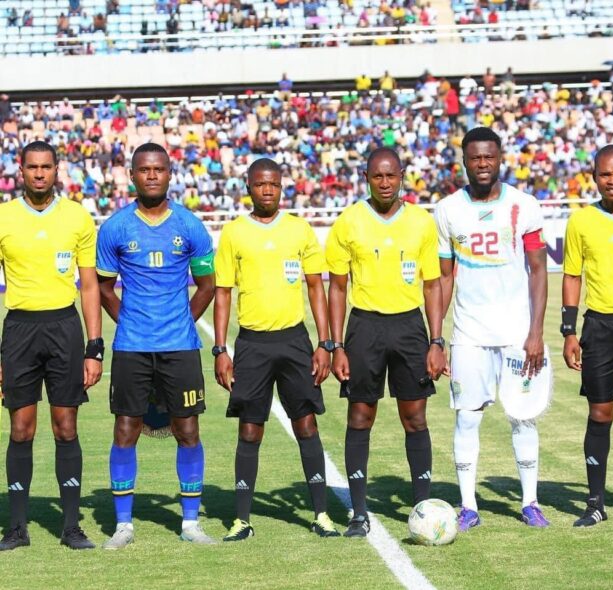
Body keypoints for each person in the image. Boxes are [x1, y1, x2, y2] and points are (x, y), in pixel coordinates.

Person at [97, 143, 215, 548]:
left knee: (188, 429)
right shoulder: (115, 227)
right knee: (125, 429)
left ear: (169, 174)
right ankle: (123, 525)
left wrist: (180, 321)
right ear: (132, 175)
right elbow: (103, 289)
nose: (152, 176)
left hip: (179, 346)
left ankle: (190, 523)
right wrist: (131, 321)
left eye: (159, 169)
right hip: (131, 346)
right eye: (144, 170)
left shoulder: (190, 225)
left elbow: (207, 285)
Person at [214, 158, 339, 542]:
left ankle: (321, 515)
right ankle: (242, 520)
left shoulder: (299, 229)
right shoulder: (234, 233)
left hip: (295, 342)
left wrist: (325, 343)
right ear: (248, 187)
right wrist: (220, 349)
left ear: (281, 186)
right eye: (260, 184)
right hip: (252, 344)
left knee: (306, 425)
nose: (267, 190)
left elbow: (316, 287)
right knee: (250, 430)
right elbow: (223, 292)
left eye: (273, 184)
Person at [326, 147, 446, 538]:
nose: (384, 182)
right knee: (360, 416)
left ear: (402, 175)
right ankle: (359, 513)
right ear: (366, 178)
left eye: (391, 175)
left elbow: (433, 286)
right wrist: (337, 346)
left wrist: (436, 340)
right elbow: (337, 288)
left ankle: (423, 508)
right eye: (377, 176)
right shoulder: (348, 221)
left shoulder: (422, 222)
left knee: (415, 418)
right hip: (364, 328)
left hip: (410, 328)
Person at [435, 127, 549, 531]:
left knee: (523, 417)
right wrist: (437, 338)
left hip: (518, 334)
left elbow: (539, 271)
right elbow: (444, 277)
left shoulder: (524, 205)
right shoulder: (447, 209)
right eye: (475, 158)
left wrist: (535, 333)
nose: (482, 164)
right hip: (469, 334)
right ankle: (468, 506)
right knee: (467, 418)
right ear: (464, 161)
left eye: (489, 156)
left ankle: (530, 502)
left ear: (500, 159)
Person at [0, 141, 103, 551]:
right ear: (20, 171)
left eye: (46, 167)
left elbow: (90, 285)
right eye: (32, 167)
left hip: (64, 328)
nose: (39, 173)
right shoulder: (4, 217)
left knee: (66, 427)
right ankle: (17, 528)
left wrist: (94, 347)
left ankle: (71, 526)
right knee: (21, 428)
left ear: (57, 170)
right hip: (19, 330)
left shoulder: (77, 216)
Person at [562, 144, 613, 527]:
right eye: (605, 174)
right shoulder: (580, 221)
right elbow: (572, 275)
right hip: (600, 327)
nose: (612, 180)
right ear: (594, 177)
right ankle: (595, 503)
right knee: (600, 412)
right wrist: (568, 331)